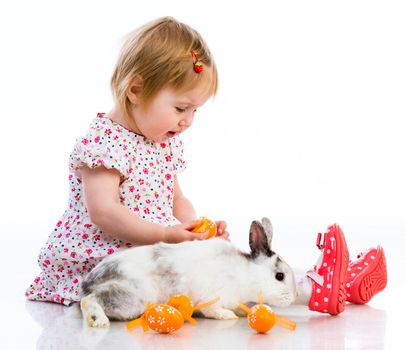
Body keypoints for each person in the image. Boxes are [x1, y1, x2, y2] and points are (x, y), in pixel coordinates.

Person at [26, 16, 387, 314]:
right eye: (181, 108)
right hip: (112, 260)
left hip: (156, 251)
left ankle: (326, 282)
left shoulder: (162, 142)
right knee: (220, 281)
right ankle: (317, 290)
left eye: (195, 110)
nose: (187, 121)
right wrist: (168, 236)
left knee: (230, 266)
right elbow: (105, 212)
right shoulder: (104, 142)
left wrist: (192, 228)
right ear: (135, 90)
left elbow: (176, 198)